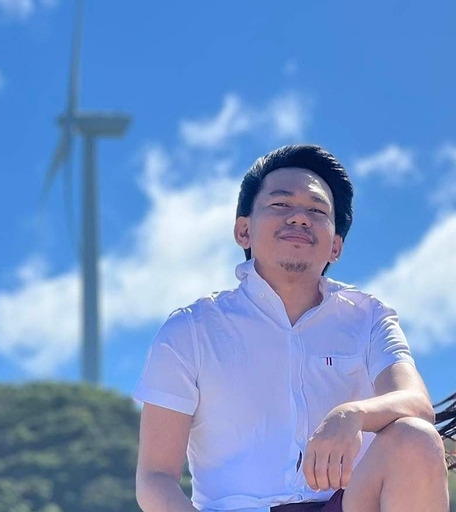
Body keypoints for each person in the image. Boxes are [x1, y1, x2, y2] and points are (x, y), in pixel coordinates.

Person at [133, 145, 449, 512]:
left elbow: (416, 404)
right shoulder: (190, 329)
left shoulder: (369, 317)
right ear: (243, 230)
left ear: (336, 246)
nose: (299, 218)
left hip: (349, 503)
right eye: (281, 205)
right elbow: (155, 476)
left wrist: (351, 414)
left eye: (316, 211)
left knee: (416, 437)